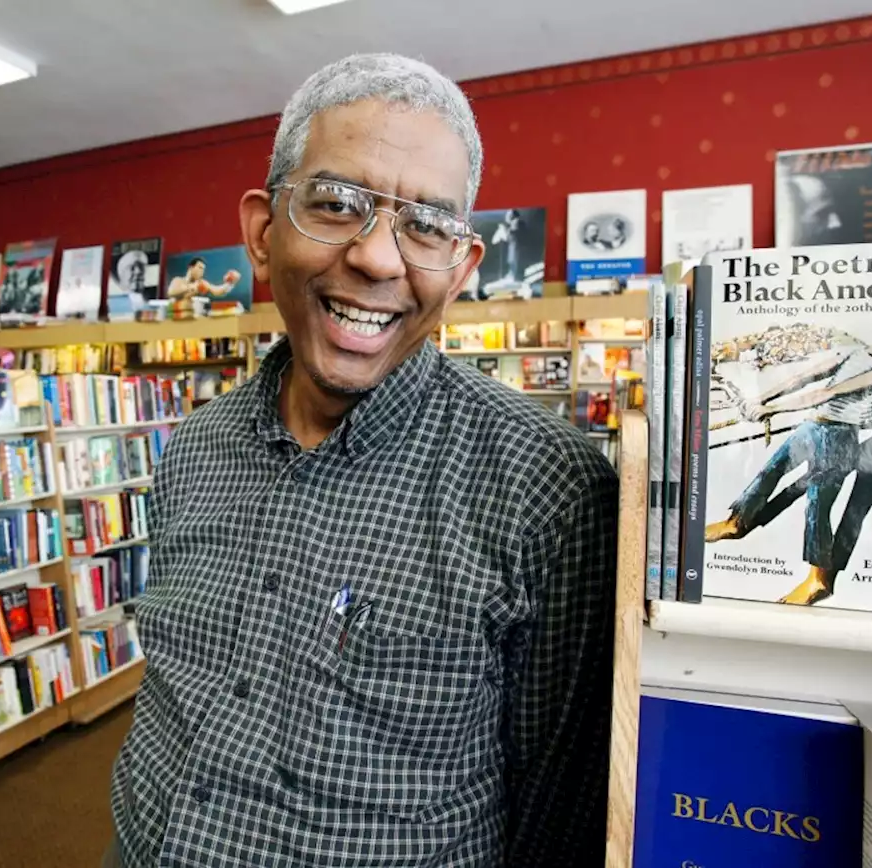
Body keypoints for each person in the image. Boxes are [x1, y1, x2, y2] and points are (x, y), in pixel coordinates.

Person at [106, 53, 618, 868]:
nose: (379, 259)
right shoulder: (194, 448)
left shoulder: (549, 490)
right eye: (337, 204)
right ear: (261, 233)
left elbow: (561, 810)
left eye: (427, 226)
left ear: (460, 270)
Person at [705, 325, 872, 605]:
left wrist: (770, 409)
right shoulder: (855, 351)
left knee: (818, 506)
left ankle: (819, 580)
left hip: (840, 436)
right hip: (813, 425)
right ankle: (736, 523)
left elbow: (829, 391)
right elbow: (804, 376)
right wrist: (759, 399)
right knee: (769, 473)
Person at [166, 257, 239, 317]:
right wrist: (191, 287)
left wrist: (230, 283)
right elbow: (171, 292)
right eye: (200, 268)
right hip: (175, 319)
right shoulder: (178, 280)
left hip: (194, 322)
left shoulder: (201, 283)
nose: (202, 271)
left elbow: (217, 291)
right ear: (191, 267)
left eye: (203, 269)